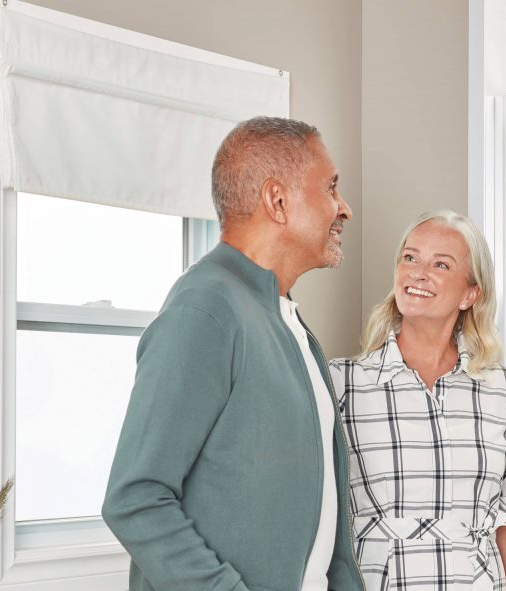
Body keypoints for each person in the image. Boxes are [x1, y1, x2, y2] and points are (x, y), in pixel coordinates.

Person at [102, 117, 365, 591]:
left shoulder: (289, 324)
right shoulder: (205, 309)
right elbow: (135, 497)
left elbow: (328, 526)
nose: (344, 208)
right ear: (278, 200)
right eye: (331, 188)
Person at [330, 210, 506, 591]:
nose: (417, 272)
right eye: (409, 257)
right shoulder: (343, 383)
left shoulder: (502, 388)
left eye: (440, 264)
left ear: (470, 293)